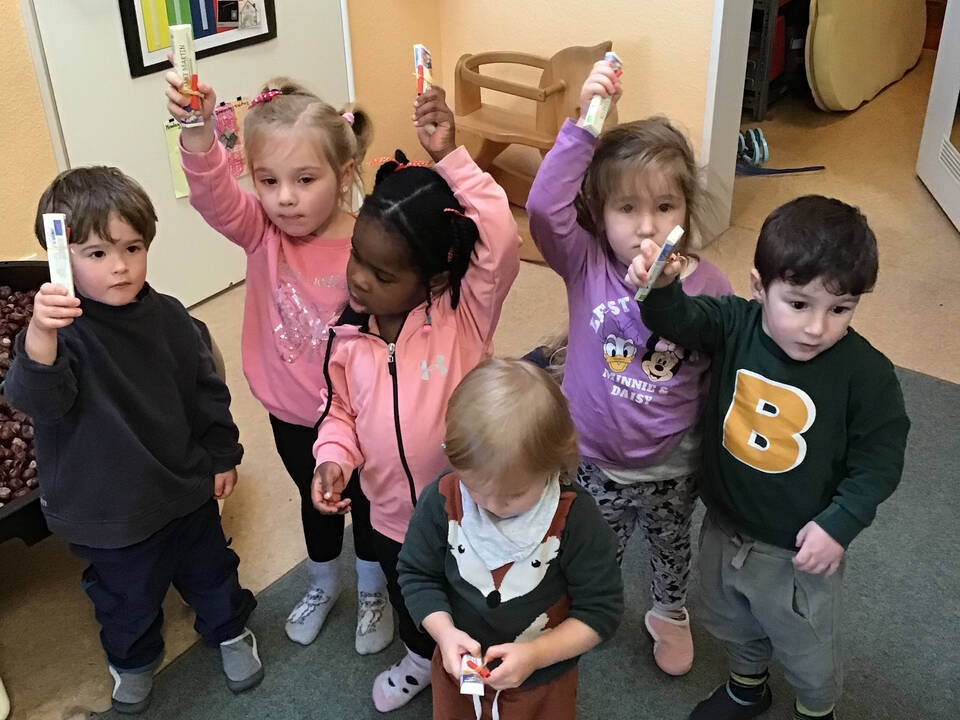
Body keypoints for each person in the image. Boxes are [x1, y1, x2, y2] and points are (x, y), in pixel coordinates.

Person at [625, 194, 911, 720]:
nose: (817, 327)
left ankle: (815, 710)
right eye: (798, 304)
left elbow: (880, 459)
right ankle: (747, 685)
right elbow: (678, 319)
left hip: (799, 550)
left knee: (808, 647)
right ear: (759, 287)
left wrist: (840, 524)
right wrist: (661, 286)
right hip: (726, 524)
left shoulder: (867, 375)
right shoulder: (735, 323)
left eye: (841, 309)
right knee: (733, 620)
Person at [3, 167, 262, 714]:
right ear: (61, 258)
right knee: (126, 598)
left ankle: (230, 629)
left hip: (184, 487)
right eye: (96, 253)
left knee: (212, 571)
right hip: (107, 509)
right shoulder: (58, 332)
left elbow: (206, 392)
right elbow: (37, 402)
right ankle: (132, 658)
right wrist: (42, 335)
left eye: (132, 247)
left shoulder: (169, 316)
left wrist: (222, 454)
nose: (119, 266)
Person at [310, 86, 521, 711]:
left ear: (430, 278)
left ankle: (484, 660)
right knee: (413, 595)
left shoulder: (465, 311)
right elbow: (340, 412)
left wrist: (452, 156)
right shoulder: (348, 333)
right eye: (357, 258)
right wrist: (333, 458)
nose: (358, 279)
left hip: (473, 510)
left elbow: (502, 237)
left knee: (478, 597)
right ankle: (418, 653)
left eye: (381, 274)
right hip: (391, 517)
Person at [165, 73, 391, 652]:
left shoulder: (372, 240)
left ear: (344, 176)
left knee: (367, 502)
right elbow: (215, 196)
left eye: (304, 179)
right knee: (313, 498)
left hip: (364, 413)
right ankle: (322, 583)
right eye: (268, 180)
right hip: (290, 411)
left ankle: (372, 588)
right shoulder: (263, 231)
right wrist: (196, 132)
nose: (284, 197)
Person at [526, 58, 732, 675]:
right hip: (594, 458)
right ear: (597, 213)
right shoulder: (585, 263)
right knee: (594, 544)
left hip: (673, 463)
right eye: (626, 209)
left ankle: (669, 611)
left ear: (687, 211)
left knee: (671, 549)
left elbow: (723, 374)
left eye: (666, 205)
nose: (648, 226)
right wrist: (585, 127)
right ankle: (588, 604)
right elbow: (541, 206)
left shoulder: (710, 287)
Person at [397, 358, 623, 720]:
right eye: (474, 488)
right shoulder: (442, 498)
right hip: (461, 672)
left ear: (554, 464)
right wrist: (443, 632)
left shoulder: (576, 519)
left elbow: (601, 612)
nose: (492, 506)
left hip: (542, 679)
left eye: (514, 495)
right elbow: (416, 574)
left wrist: (537, 655)